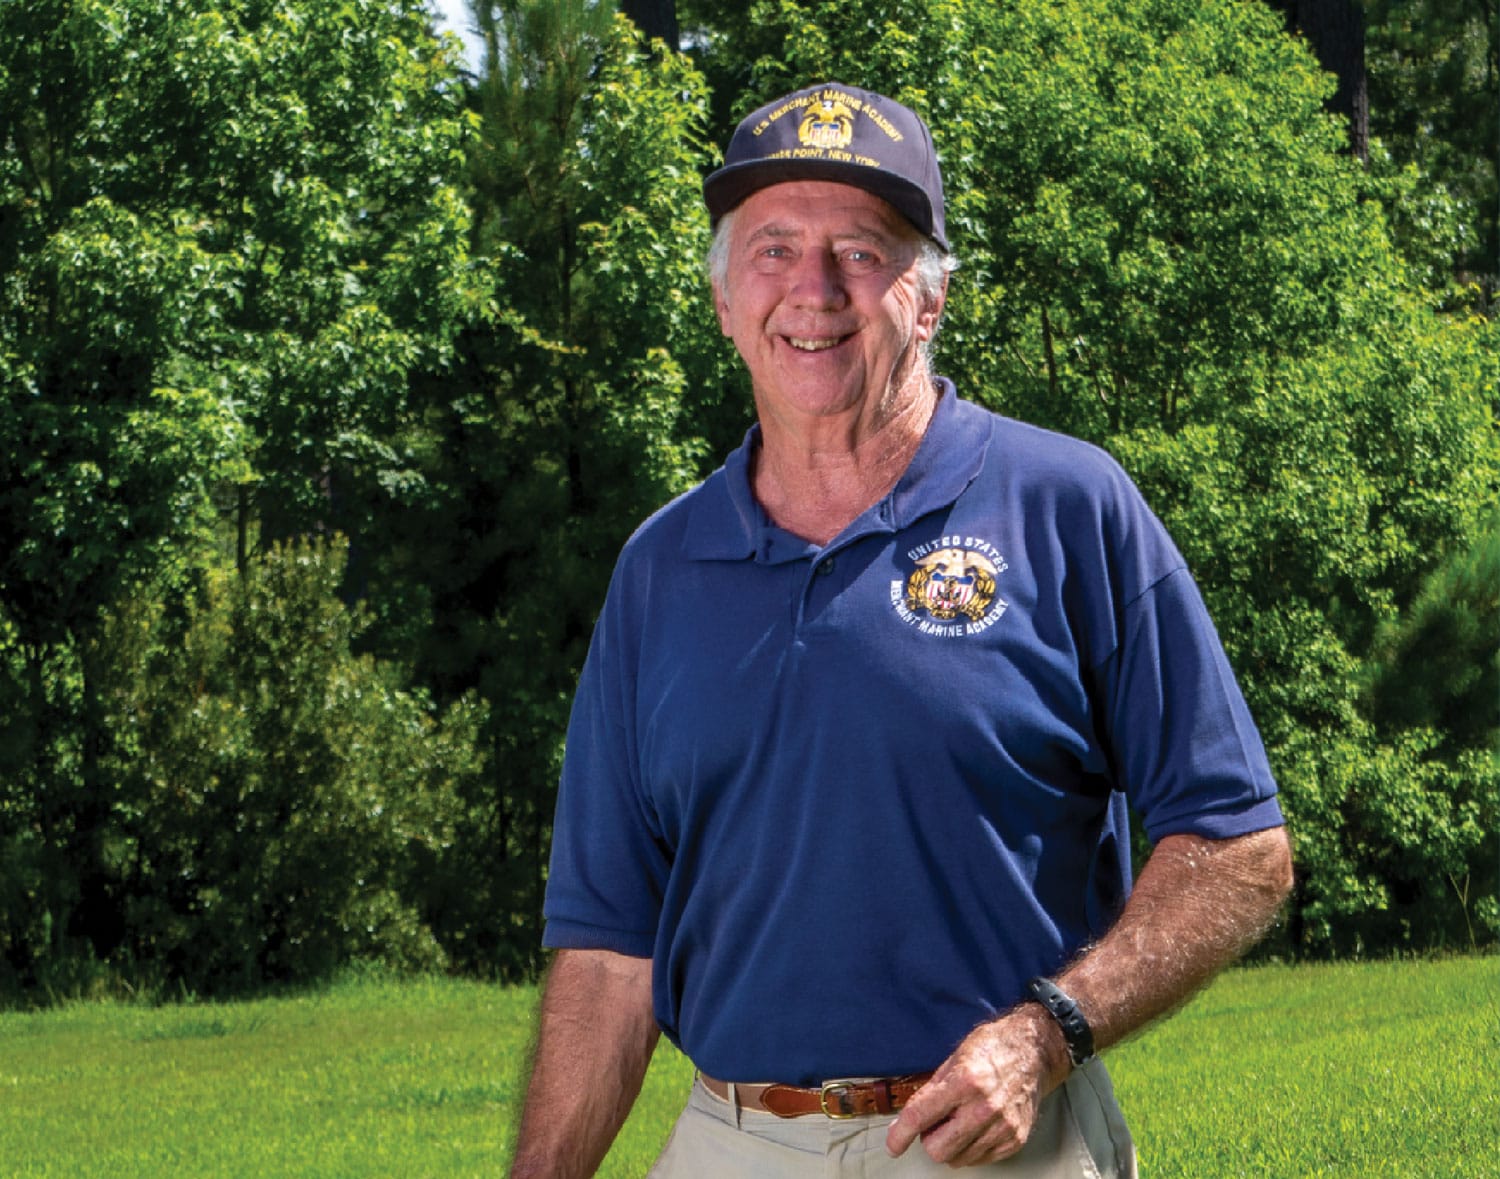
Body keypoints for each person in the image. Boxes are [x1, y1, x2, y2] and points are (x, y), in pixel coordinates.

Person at [507, 82, 1294, 1178]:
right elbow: (607, 951)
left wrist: (1048, 1034)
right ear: (727, 298)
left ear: (926, 299)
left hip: (993, 1139)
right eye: (774, 249)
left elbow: (1239, 849)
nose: (814, 291)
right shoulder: (660, 570)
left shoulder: (1067, 507)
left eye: (862, 253)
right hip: (736, 1142)